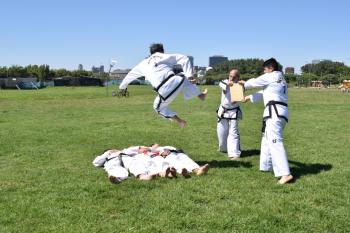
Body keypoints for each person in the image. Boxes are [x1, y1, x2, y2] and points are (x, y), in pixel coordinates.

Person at [119, 43, 208, 128]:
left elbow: (129, 76)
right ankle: (200, 95)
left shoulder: (142, 64)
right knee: (183, 76)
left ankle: (180, 121)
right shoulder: (164, 56)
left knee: (157, 107)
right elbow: (184, 58)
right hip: (177, 80)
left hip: (164, 90)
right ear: (162, 51)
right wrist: (190, 75)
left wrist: (123, 88)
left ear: (150, 53)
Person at [239, 58, 293, 184]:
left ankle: (285, 173)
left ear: (270, 68)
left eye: (264, 69)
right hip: (279, 111)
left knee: (275, 141)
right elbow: (265, 92)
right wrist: (248, 97)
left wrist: (244, 84)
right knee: (267, 138)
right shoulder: (280, 79)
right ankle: (266, 166)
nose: (263, 71)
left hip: (274, 111)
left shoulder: (272, 75)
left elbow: (255, 82)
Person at [217, 69, 242, 160]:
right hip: (223, 111)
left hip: (233, 112)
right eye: (230, 76)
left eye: (234, 77)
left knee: (233, 133)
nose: (231, 78)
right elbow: (222, 87)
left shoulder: (239, 86)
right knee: (221, 133)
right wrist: (229, 84)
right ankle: (223, 148)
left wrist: (236, 87)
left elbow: (234, 101)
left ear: (238, 78)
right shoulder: (224, 82)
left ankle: (234, 154)